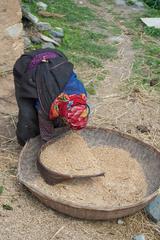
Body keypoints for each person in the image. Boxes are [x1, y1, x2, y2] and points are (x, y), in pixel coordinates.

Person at [13, 48, 90, 146]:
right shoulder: (46, 104)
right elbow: (46, 133)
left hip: (55, 57)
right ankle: (25, 142)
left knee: (55, 119)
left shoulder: (81, 94)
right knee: (28, 115)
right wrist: (48, 145)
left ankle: (59, 122)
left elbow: (78, 114)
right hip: (26, 65)